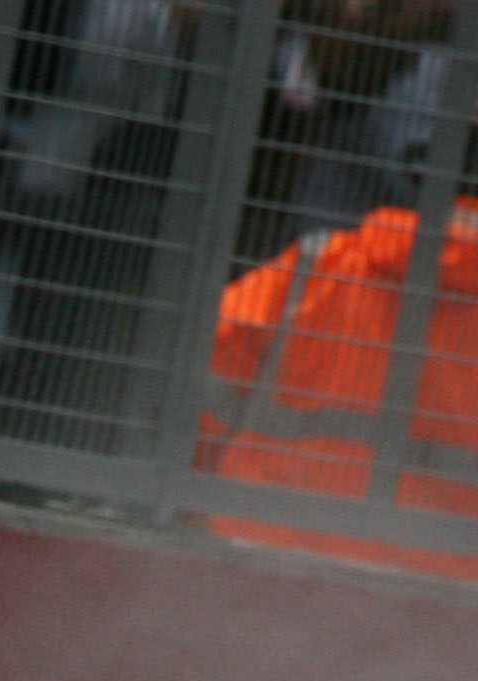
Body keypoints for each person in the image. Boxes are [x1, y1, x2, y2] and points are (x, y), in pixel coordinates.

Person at [203, 191, 478, 580]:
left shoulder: (322, 262)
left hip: (269, 536)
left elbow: (212, 367)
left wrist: (197, 499)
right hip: (447, 579)